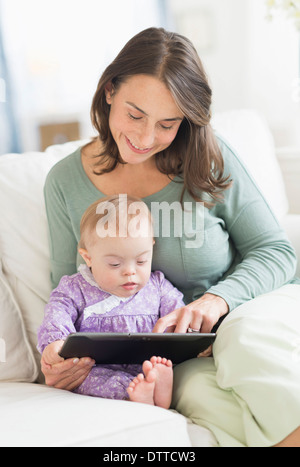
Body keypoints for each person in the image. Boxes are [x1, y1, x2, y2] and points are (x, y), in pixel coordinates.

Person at [42, 27, 300, 446]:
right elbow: (59, 289)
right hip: (177, 356)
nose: (145, 139)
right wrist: (56, 357)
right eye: (135, 114)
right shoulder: (65, 182)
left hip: (247, 314)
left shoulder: (207, 158)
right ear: (109, 91)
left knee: (244, 346)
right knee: (198, 394)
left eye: (167, 124)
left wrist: (218, 300)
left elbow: (275, 250)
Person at [38, 194, 186, 407]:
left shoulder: (158, 286)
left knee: (159, 364)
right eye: (115, 264)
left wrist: (190, 334)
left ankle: (159, 387)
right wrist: (55, 342)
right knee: (85, 379)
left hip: (145, 363)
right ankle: (136, 392)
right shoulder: (75, 287)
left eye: (141, 260)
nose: (130, 272)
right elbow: (57, 312)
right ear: (88, 257)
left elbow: (178, 314)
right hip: (95, 369)